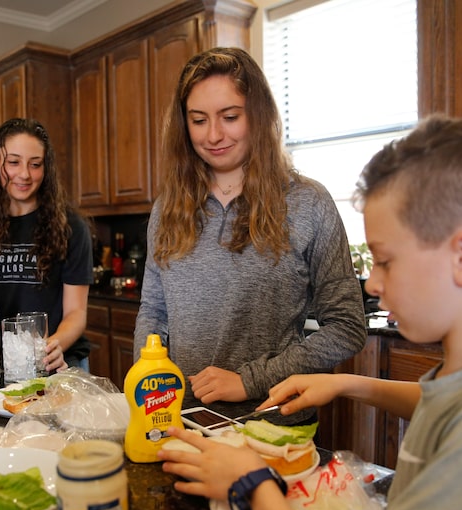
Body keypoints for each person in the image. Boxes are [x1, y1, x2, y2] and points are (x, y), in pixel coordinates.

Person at [158, 115, 462, 510]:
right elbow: (442, 402)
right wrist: (347, 384)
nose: (372, 283)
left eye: (386, 260)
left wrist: (252, 485)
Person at [133, 47, 367, 424]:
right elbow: (154, 314)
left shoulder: (308, 203)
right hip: (181, 423)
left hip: (272, 428)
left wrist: (250, 380)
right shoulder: (167, 208)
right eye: (198, 120)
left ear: (258, 116)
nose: (213, 135)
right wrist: (149, 388)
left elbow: (347, 327)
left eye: (230, 117)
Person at [0, 118, 92, 372]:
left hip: (58, 364)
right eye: (13, 162)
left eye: (35, 164)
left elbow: (76, 312)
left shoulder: (70, 227)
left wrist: (51, 347)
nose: (24, 174)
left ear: (46, 168)